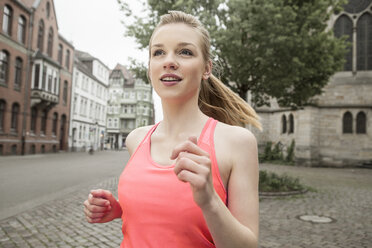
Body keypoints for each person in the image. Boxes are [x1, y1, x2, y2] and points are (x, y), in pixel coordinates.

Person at [84, 10, 262, 248]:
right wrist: (120, 210)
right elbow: (164, 219)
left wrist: (210, 201)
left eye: (185, 52)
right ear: (150, 68)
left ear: (206, 69)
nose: (169, 61)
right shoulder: (136, 139)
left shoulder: (238, 142)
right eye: (158, 52)